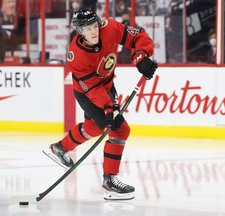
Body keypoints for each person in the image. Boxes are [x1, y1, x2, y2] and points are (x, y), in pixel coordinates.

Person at [46, 8, 157, 200]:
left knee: (94, 128)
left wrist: (141, 55)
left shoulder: (110, 27)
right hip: (88, 93)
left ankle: (60, 147)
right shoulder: (76, 55)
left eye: (94, 26)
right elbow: (92, 89)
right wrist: (109, 107)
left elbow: (138, 36)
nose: (93, 31)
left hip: (107, 85)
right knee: (120, 130)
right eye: (87, 29)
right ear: (79, 32)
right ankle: (110, 180)